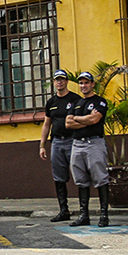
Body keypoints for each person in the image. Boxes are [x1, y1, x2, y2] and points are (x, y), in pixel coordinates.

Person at [65, 71, 110, 227]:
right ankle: (84, 215)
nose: (83, 86)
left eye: (86, 83)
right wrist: (85, 120)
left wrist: (79, 119)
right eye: (81, 83)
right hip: (77, 144)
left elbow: (95, 119)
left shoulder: (100, 102)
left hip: (94, 143)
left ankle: (104, 214)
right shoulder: (76, 103)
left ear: (92, 84)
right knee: (81, 180)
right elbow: (68, 123)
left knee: (100, 177)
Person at [38, 69, 81, 222]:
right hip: (56, 142)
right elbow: (46, 124)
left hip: (73, 141)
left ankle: (84, 211)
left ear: (67, 81)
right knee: (59, 177)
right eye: (57, 80)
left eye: (62, 79)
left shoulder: (75, 99)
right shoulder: (51, 102)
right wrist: (42, 145)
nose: (59, 82)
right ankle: (64, 210)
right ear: (54, 82)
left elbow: (81, 119)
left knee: (79, 174)